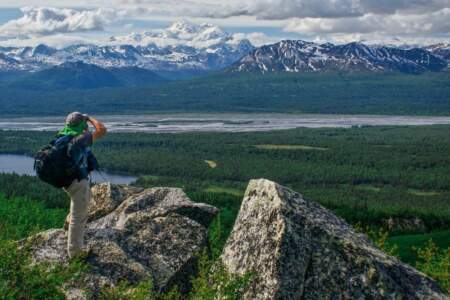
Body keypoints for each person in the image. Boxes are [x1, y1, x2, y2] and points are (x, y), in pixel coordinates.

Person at [57, 112, 107, 258]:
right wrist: (90, 118)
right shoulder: (80, 138)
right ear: (81, 124)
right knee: (78, 217)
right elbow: (102, 130)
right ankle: (76, 254)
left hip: (68, 180)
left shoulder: (63, 135)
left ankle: (71, 237)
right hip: (77, 181)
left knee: (77, 209)